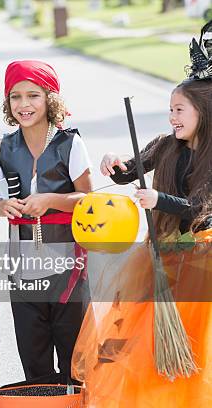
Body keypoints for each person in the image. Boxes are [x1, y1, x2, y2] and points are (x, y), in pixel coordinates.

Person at [72, 24, 212, 406]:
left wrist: (159, 199)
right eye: (169, 109)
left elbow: (201, 208)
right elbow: (129, 171)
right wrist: (113, 164)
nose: (172, 117)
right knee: (145, 342)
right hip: (164, 256)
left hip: (202, 264)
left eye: (179, 110)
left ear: (203, 110)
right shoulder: (167, 146)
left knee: (200, 344)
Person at [0, 60, 93, 381]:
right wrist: (2, 204)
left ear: (50, 98)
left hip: (68, 269)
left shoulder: (69, 144)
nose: (24, 104)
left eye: (33, 95)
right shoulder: (1, 148)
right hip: (23, 270)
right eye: (15, 96)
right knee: (34, 362)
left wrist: (49, 200)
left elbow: (86, 199)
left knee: (75, 360)